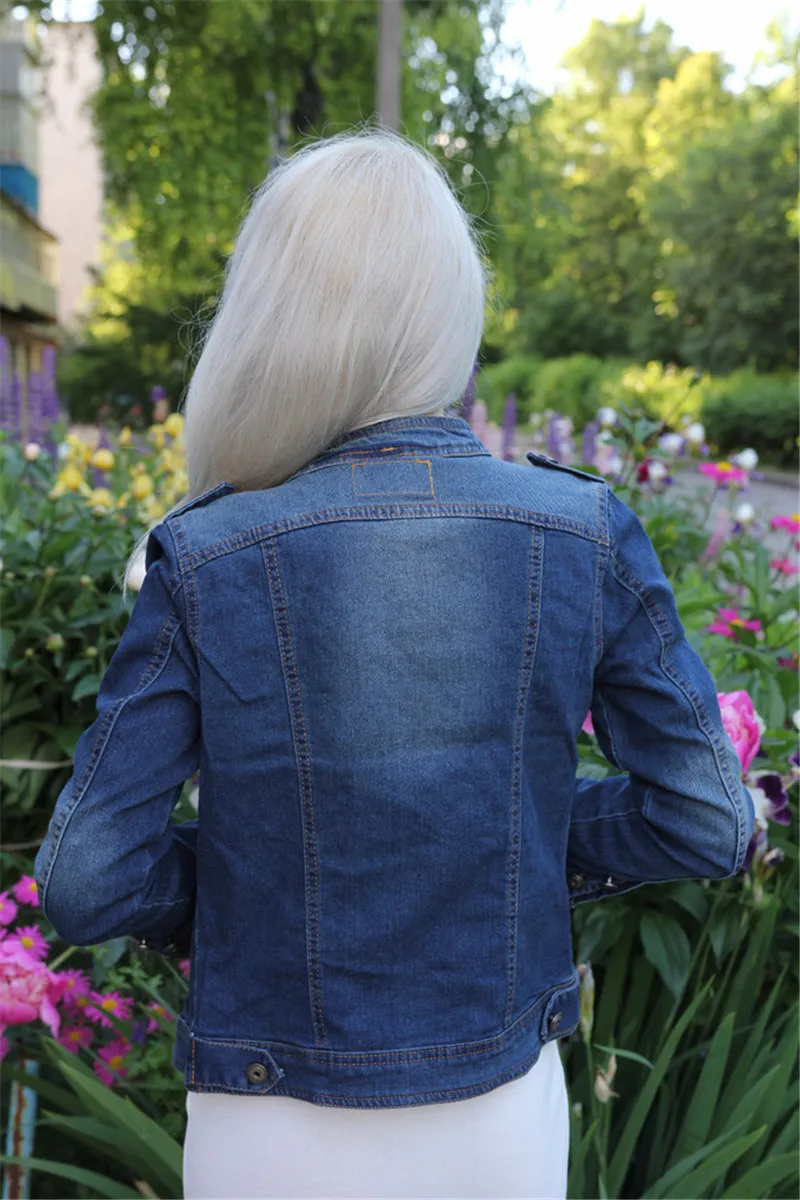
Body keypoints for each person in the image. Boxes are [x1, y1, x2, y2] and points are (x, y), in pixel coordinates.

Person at [35, 130, 754, 1200]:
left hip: (269, 1123)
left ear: (270, 320)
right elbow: (707, 820)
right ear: (451, 312)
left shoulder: (210, 553)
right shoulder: (580, 530)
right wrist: (503, 852)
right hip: (498, 1122)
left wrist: (250, 886)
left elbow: (88, 879)